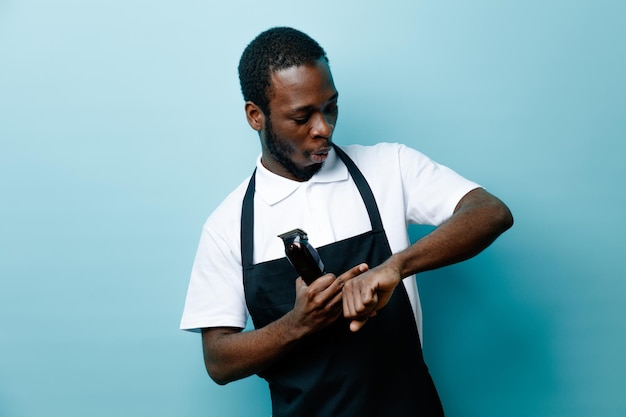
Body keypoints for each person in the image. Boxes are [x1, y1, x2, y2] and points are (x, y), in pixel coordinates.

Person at [180, 26, 513, 417]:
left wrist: (393, 268)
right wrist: (298, 323)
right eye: (302, 117)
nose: (323, 128)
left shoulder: (389, 167)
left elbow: (490, 212)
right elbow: (218, 362)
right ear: (256, 116)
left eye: (330, 107)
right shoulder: (228, 226)